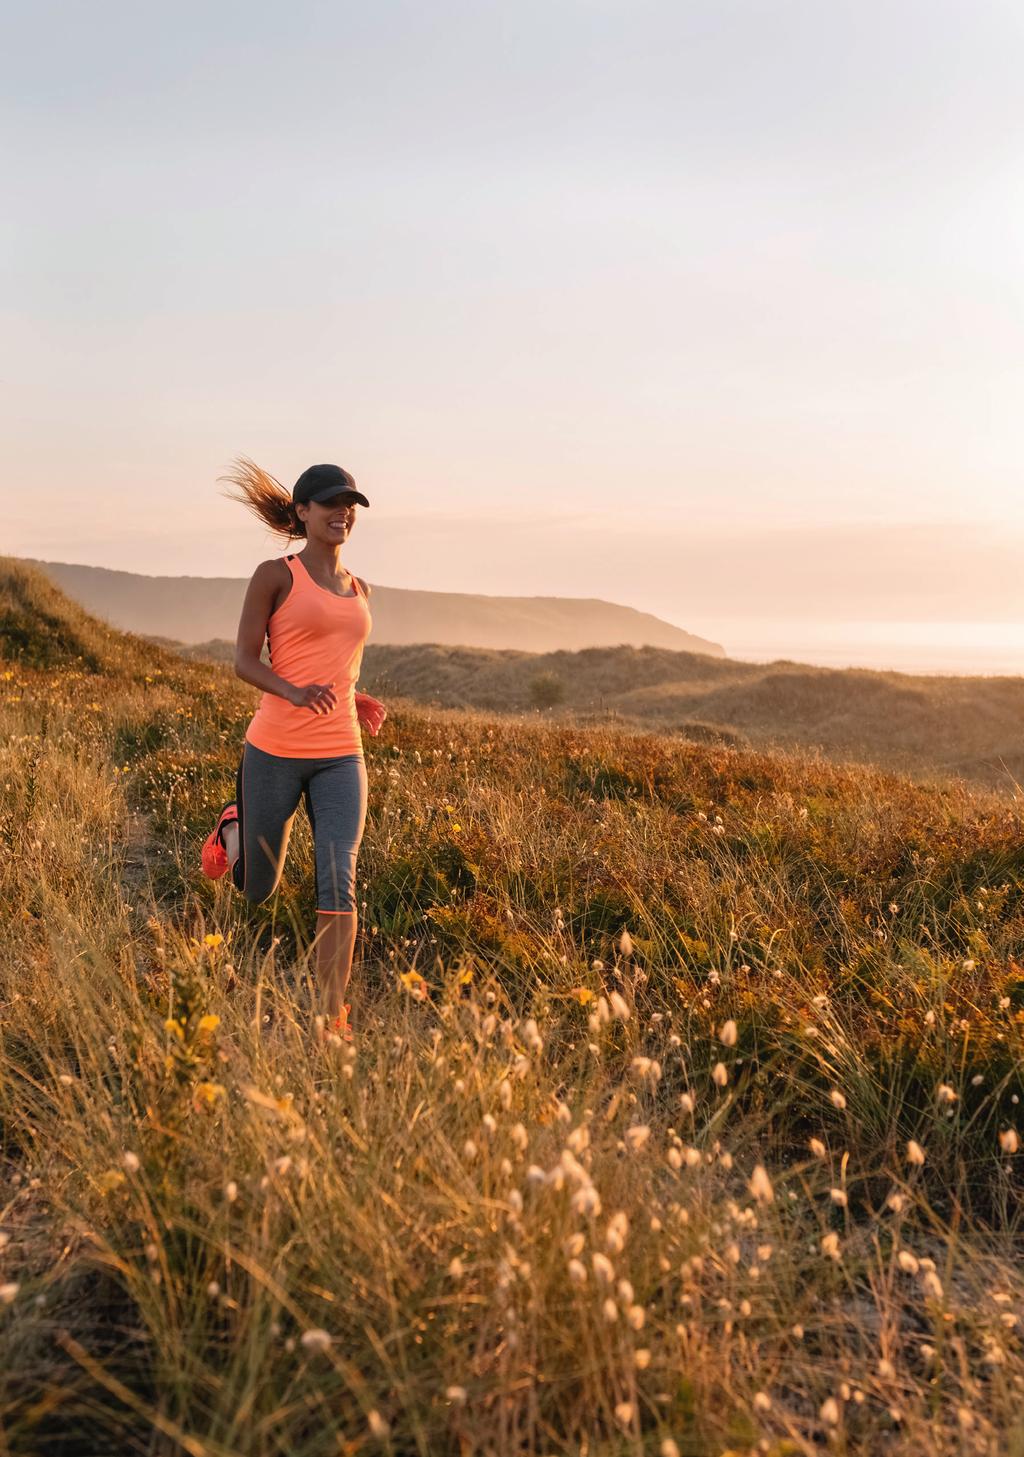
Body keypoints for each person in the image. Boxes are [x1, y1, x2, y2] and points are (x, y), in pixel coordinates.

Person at [200, 458, 386, 1042]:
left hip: (341, 754)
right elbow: (245, 661)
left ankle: (333, 1018)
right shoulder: (274, 575)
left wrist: (354, 700)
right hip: (274, 749)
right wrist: (292, 691)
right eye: (331, 503)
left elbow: (339, 665)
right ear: (303, 512)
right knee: (259, 887)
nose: (343, 513)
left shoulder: (360, 589)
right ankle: (235, 829)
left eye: (350, 503)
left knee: (339, 874)